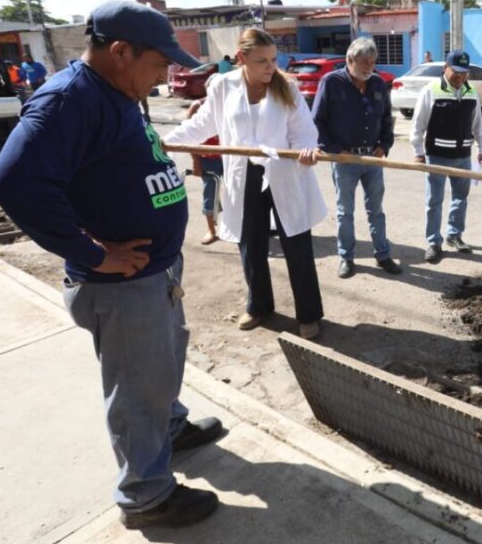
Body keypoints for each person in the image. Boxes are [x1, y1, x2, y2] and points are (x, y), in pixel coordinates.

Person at [0, 0, 223, 530]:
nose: (165, 75)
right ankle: (147, 496)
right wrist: (91, 252)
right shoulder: (69, 101)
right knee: (138, 387)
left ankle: (169, 428)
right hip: (121, 285)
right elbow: (13, 182)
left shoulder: (114, 91)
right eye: (158, 64)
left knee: (161, 364)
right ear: (120, 52)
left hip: (152, 274)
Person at [164, 28, 326, 340]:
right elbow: (202, 124)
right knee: (250, 245)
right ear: (242, 59)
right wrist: (167, 142)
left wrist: (307, 150)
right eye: (261, 61)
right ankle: (259, 305)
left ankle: (308, 313)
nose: (270, 67)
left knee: (297, 245)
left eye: (273, 59)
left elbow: (304, 131)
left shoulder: (287, 88)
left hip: (284, 173)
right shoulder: (224, 86)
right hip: (243, 174)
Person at [311, 37, 402, 278]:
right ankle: (347, 257)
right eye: (363, 62)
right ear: (350, 60)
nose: (368, 67)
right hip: (344, 160)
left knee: (376, 210)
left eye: (372, 62)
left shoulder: (378, 84)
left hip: (372, 158)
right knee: (345, 212)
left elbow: (385, 119)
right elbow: (317, 120)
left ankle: (382, 254)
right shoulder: (331, 82)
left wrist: (384, 144)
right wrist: (335, 149)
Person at [410, 49, 482, 262]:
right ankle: (434, 242)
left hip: (463, 155)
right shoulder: (431, 90)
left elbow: (477, 124)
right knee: (434, 200)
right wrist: (418, 152)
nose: (460, 77)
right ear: (446, 68)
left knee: (461, 198)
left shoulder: (471, 92)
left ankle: (454, 235)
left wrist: (481, 149)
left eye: (464, 73)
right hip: (437, 156)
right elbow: (418, 125)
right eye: (456, 72)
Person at [183, 97, 224, 244]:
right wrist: (195, 161)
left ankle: (234, 227)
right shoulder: (198, 106)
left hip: (230, 157)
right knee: (210, 193)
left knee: (238, 193)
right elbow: (188, 135)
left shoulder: (229, 103)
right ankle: (211, 230)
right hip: (208, 158)